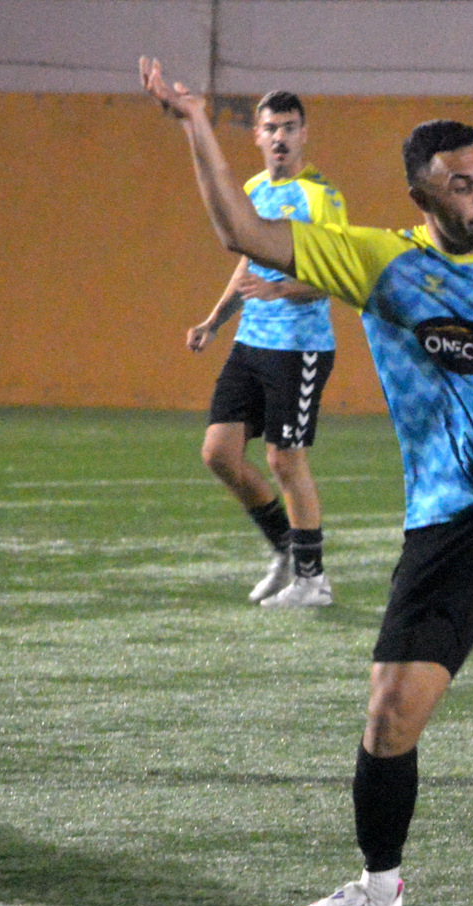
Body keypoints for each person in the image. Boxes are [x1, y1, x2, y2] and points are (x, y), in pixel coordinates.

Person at [142, 57, 473, 906]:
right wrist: (197, 123)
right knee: (389, 718)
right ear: (424, 200)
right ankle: (380, 891)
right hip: (450, 524)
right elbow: (238, 229)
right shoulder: (380, 261)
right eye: (461, 187)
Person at [185, 91, 349, 608]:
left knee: (285, 461)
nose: (280, 136)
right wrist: (215, 320)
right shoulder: (253, 189)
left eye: (290, 127)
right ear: (257, 136)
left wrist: (281, 289)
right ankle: (284, 547)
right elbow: (247, 265)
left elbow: (338, 276)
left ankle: (313, 580)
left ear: (305, 134)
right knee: (219, 453)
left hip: (299, 349)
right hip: (250, 343)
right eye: (271, 127)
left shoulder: (322, 196)